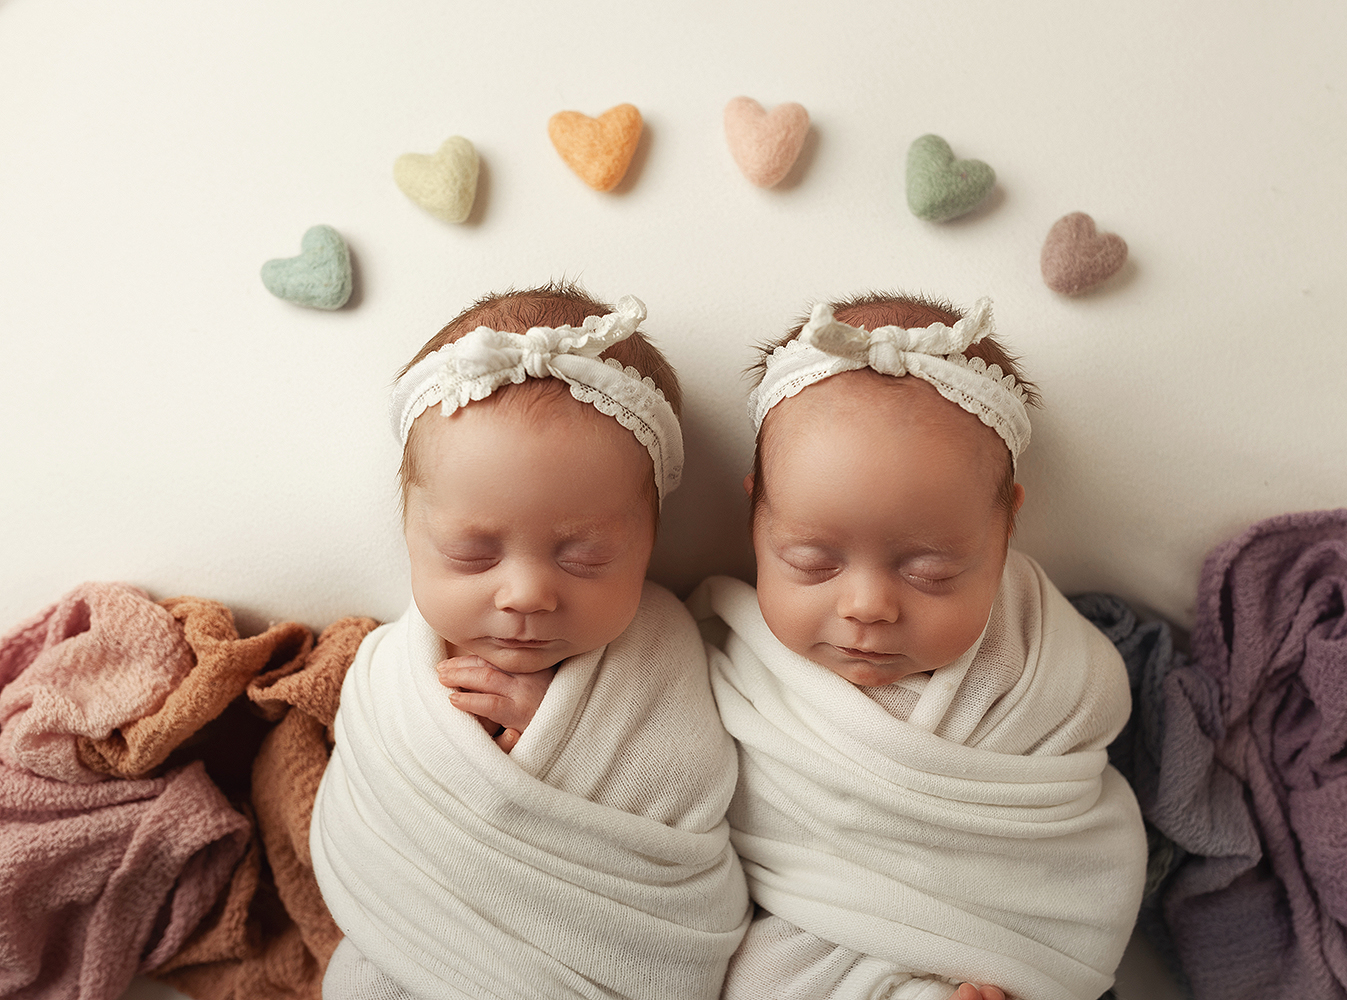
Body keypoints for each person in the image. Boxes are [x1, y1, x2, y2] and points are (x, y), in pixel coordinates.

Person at [688, 293, 1147, 1000]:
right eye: (813, 563)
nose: (868, 606)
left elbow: (1076, 861)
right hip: (806, 946)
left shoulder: (1042, 666)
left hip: (1010, 954)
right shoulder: (721, 658)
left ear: (1004, 529)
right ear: (755, 517)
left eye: (929, 571)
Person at [310, 283, 751, 1000]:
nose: (526, 594)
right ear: (411, 531)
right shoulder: (386, 676)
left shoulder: (664, 645)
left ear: (648, 541)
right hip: (419, 944)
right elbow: (370, 830)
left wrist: (558, 730)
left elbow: (693, 784)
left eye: (582, 557)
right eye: (473, 554)